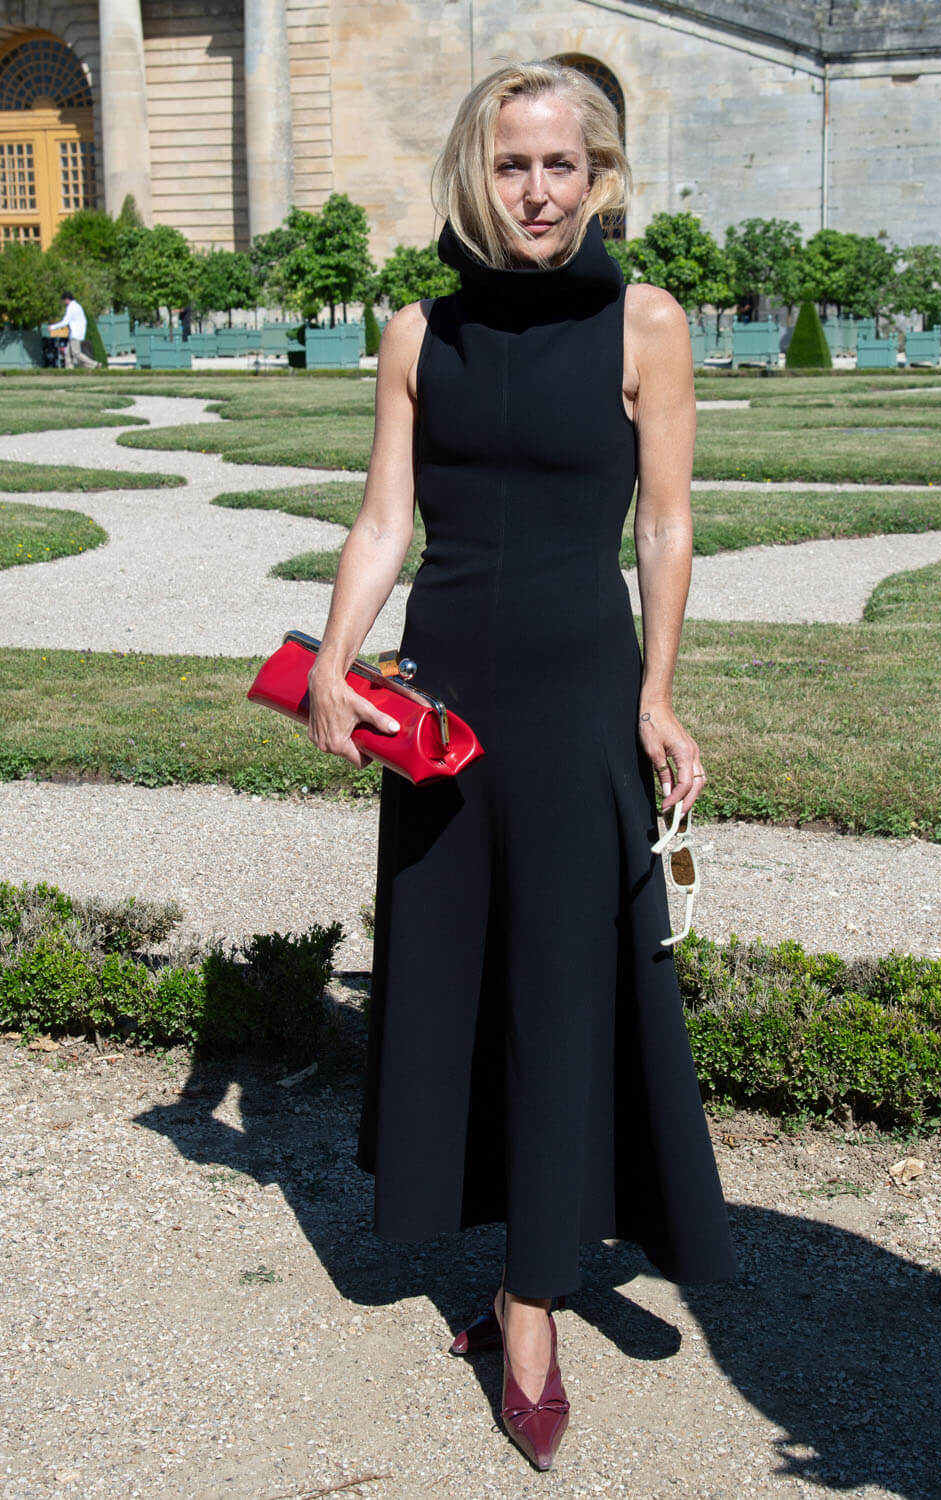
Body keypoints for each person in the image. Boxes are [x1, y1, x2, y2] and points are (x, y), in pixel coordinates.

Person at [307, 60, 737, 1471]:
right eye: (513, 165)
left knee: (561, 977)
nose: (539, 191)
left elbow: (664, 525)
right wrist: (333, 660)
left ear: (599, 178)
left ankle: (534, 1295)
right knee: (456, 967)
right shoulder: (417, 331)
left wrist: (657, 694)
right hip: (444, 698)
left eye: (563, 165)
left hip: (577, 692)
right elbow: (385, 519)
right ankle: (498, 1242)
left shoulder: (645, 322)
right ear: (474, 174)